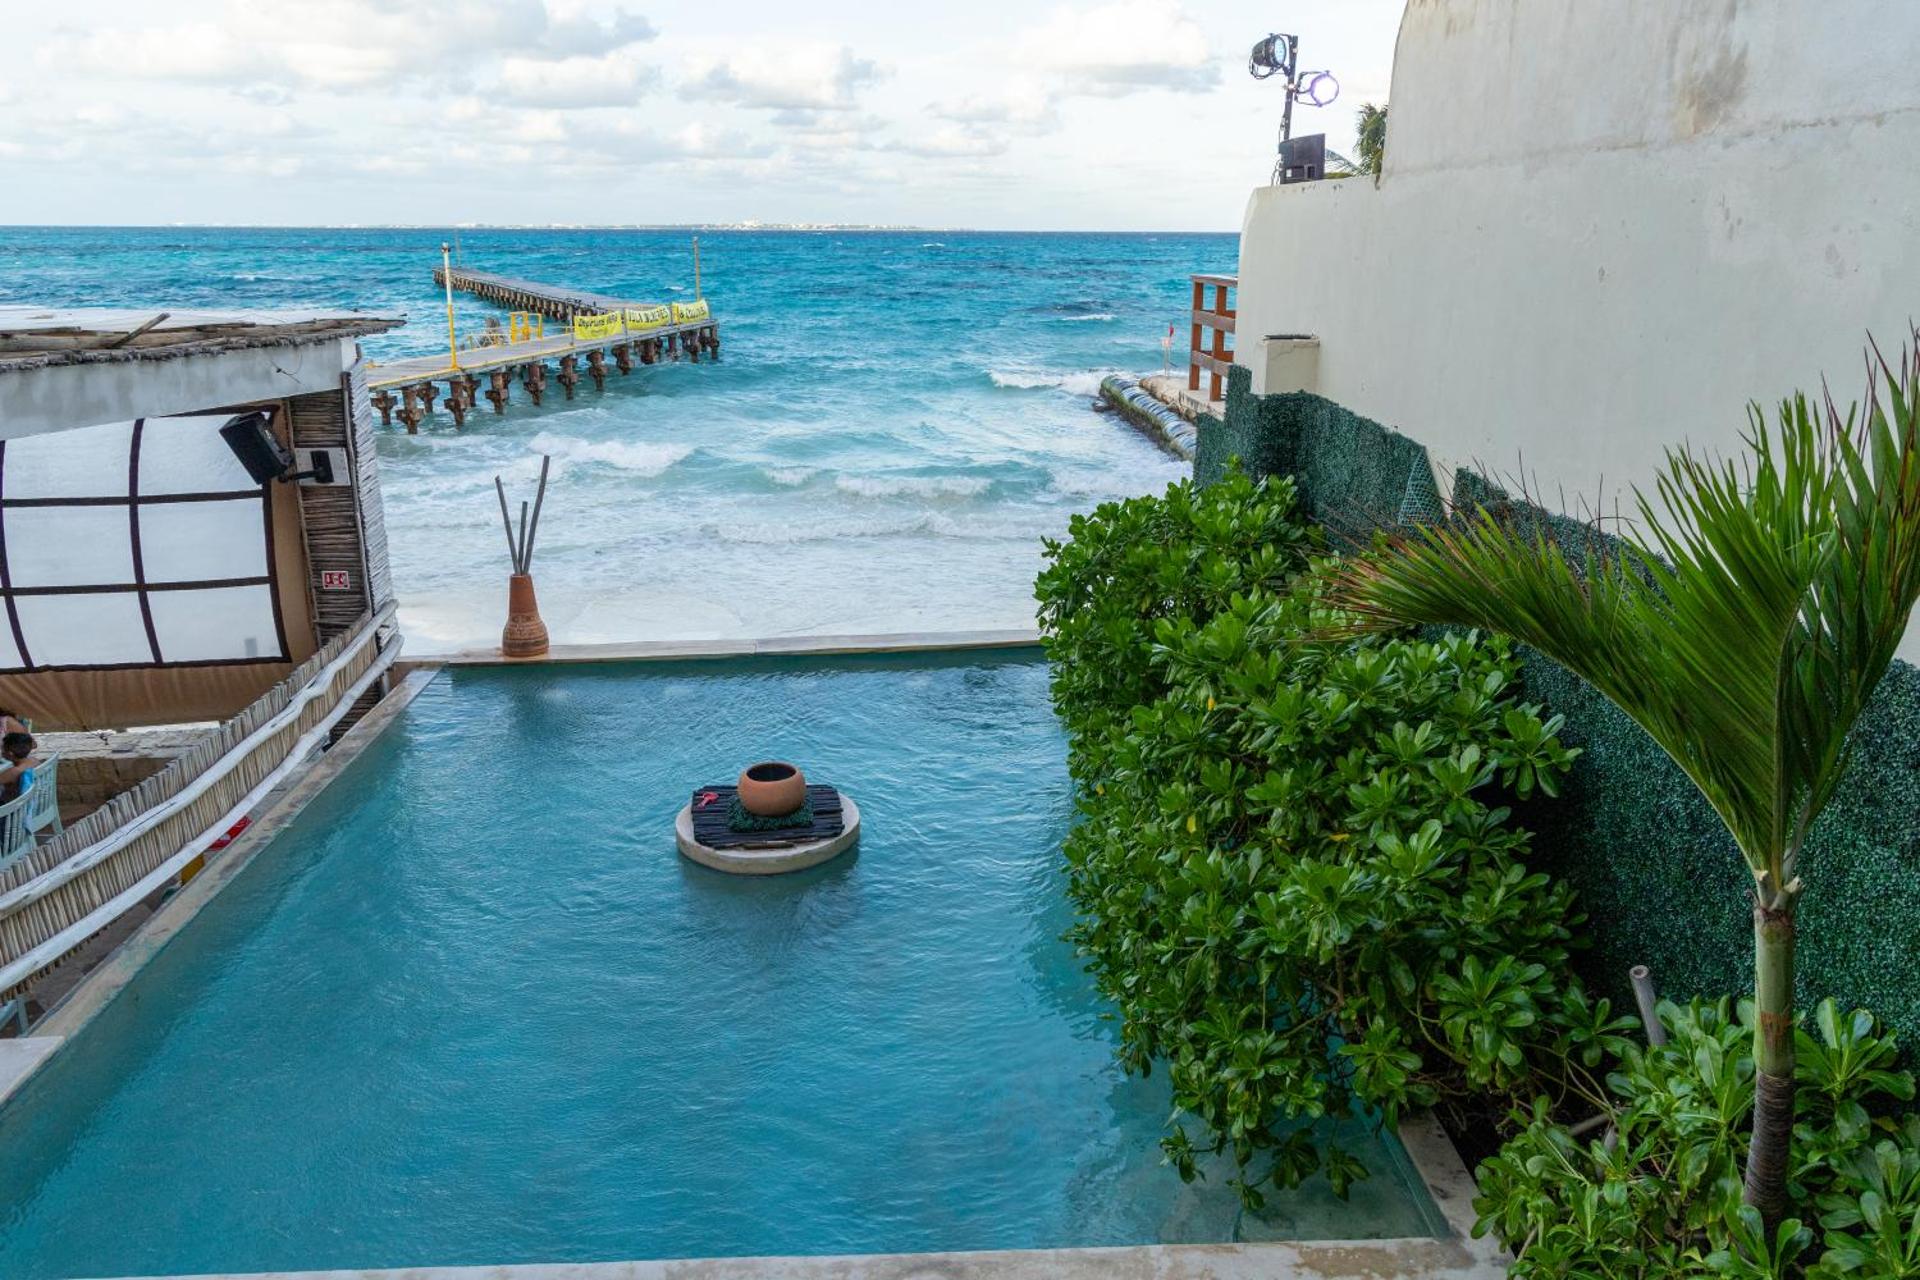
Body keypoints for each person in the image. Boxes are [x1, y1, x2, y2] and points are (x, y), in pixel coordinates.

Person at [0, 732, 37, 806]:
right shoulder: (34, 761)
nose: (1, 752)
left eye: (2, 749)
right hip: (31, 804)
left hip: (10, 811)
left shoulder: (13, 772)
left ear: (10, 754)